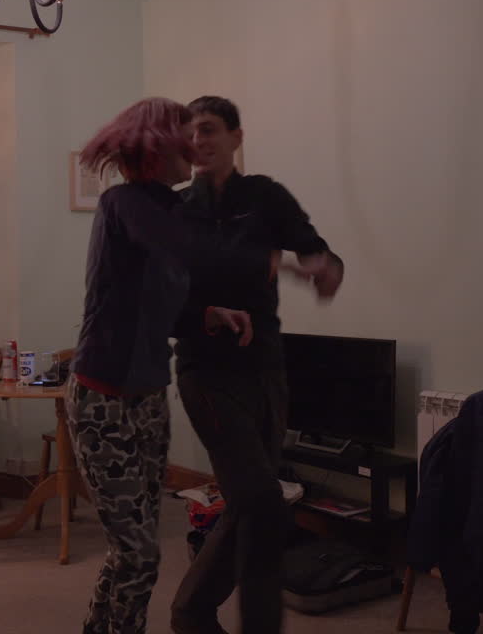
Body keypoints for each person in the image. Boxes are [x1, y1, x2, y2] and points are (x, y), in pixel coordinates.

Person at [69, 97, 275, 634]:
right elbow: (176, 238)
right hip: (104, 400)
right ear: (159, 149)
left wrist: (209, 313)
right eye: (186, 138)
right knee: (140, 555)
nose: (194, 148)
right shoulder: (125, 204)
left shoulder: (163, 209)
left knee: (132, 549)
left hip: (148, 397)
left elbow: (161, 302)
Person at [170, 96, 344, 634]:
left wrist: (321, 269)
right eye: (192, 132)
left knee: (255, 505)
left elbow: (320, 255)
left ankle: (200, 614)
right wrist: (208, 315)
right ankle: (208, 615)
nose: (199, 140)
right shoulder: (177, 210)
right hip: (206, 373)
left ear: (236, 137)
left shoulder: (265, 197)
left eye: (209, 129)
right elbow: (166, 302)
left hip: (267, 369)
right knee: (263, 502)